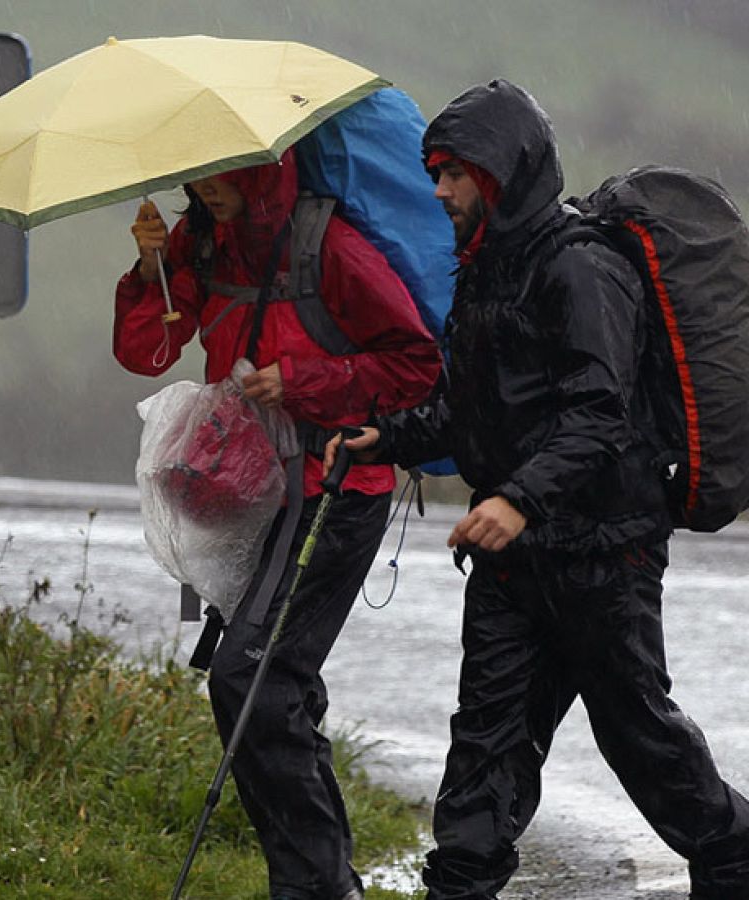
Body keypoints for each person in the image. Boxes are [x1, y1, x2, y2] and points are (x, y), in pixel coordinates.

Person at [325, 80, 749, 899]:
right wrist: (386, 437)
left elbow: (598, 417)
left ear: (502, 174)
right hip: (513, 567)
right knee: (484, 751)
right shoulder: (484, 273)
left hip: (605, 553)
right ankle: (458, 886)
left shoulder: (583, 270)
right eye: (436, 172)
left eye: (454, 173)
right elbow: (471, 415)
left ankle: (733, 860)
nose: (440, 191)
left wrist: (517, 498)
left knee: (639, 737)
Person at [116, 151, 442, 900]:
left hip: (339, 491)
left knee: (253, 679)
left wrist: (301, 383)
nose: (206, 190)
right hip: (253, 497)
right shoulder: (203, 241)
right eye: (197, 176)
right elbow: (148, 351)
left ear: (262, 168)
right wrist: (149, 272)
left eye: (222, 176)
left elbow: (417, 366)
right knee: (274, 687)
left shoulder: (328, 246)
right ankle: (318, 881)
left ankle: (318, 887)